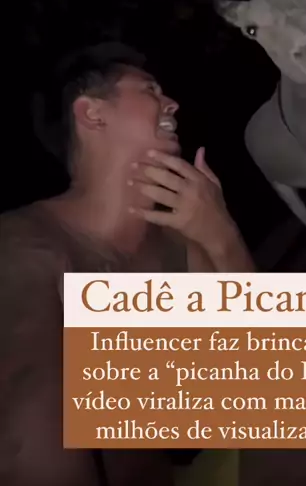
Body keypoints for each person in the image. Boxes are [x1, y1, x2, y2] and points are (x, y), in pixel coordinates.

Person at [0, 42, 255, 486]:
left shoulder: (180, 237)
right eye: (150, 89)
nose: (171, 102)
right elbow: (28, 412)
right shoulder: (23, 243)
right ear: (93, 114)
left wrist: (223, 238)